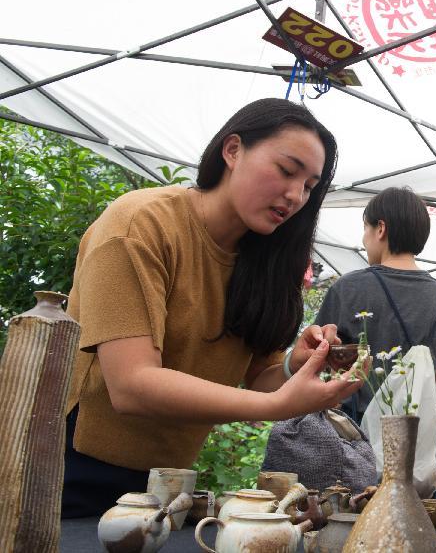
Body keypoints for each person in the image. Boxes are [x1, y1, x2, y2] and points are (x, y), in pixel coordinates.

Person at [62, 98, 364, 518]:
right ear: (233, 150)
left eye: (310, 186)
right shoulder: (140, 224)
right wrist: (278, 406)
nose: (295, 195)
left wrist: (294, 366)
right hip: (72, 469)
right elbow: (131, 384)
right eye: (286, 170)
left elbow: (260, 379)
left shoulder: (266, 262)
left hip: (167, 483)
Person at [311, 186, 436, 422]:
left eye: (366, 228)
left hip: (354, 431)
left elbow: (318, 360)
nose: (364, 239)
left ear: (380, 229)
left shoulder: (348, 288)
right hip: (417, 431)